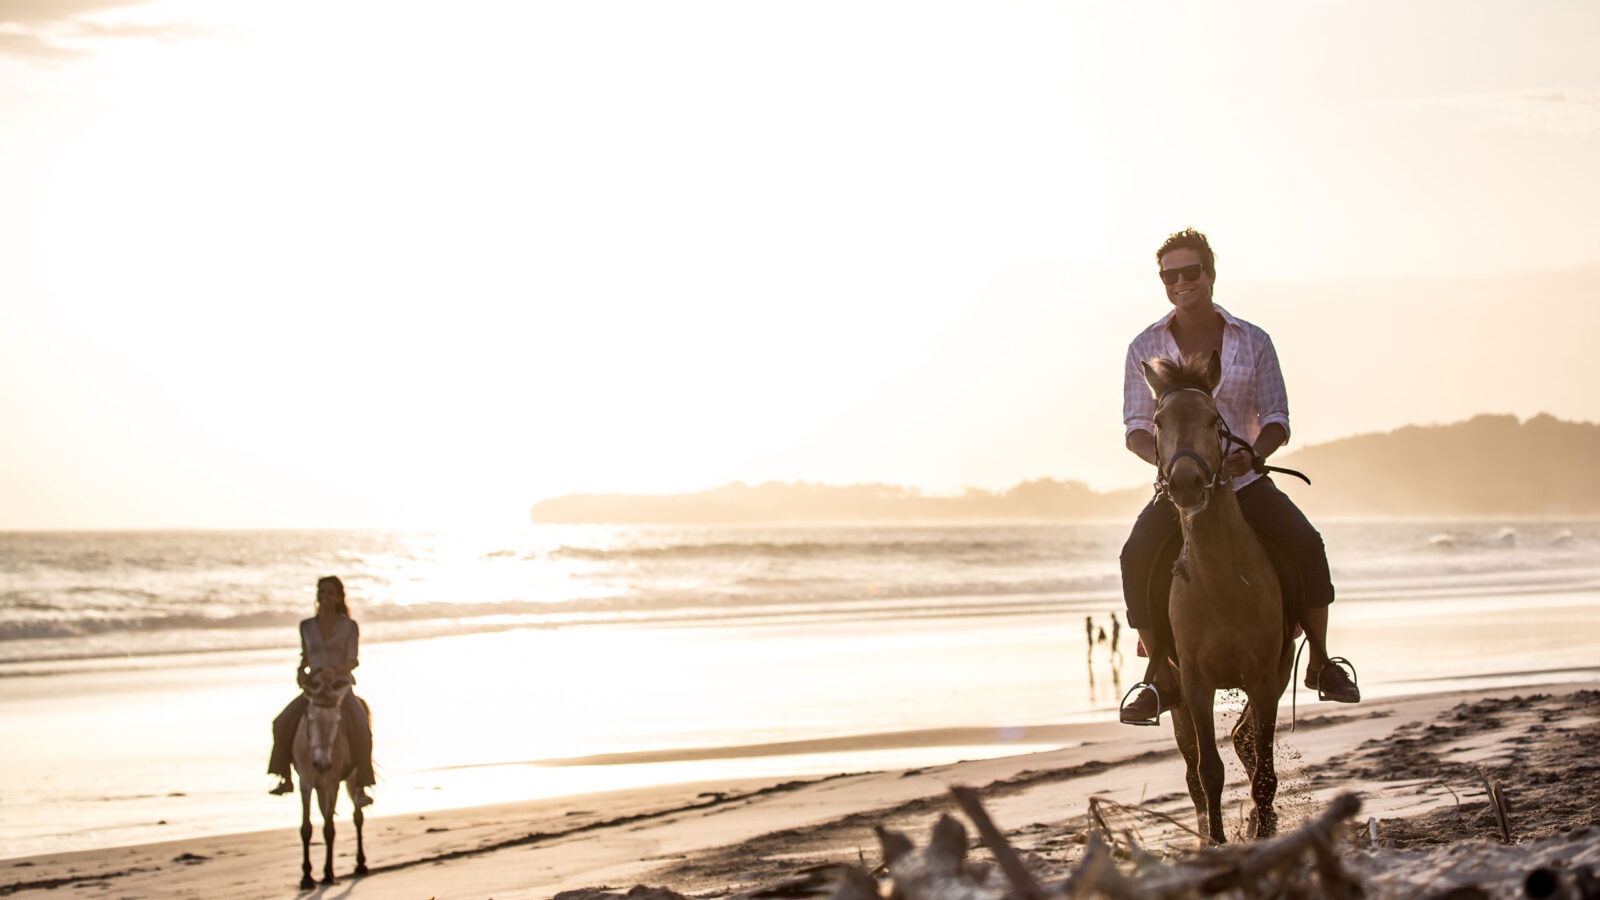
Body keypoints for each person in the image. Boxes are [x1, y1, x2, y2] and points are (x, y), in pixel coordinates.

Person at [1118, 228, 1359, 725]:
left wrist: (1252, 455)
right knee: (1135, 554)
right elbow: (1137, 430)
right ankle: (1159, 675)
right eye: (1170, 275)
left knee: (1307, 545)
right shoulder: (1144, 346)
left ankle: (1320, 660)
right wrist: (1169, 468)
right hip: (1181, 490)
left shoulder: (1253, 341)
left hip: (1243, 483)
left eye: (1191, 272)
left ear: (1210, 274)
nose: (1181, 282)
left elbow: (1277, 418)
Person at [267, 575, 375, 805]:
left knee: (361, 727)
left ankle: (362, 785)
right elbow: (306, 657)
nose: (325, 597)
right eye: (321, 592)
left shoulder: (349, 626)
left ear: (338, 597)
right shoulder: (306, 626)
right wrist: (301, 671)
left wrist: (334, 670)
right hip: (314, 690)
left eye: (329, 593)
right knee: (281, 722)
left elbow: (353, 660)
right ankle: (284, 776)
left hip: (340, 690)